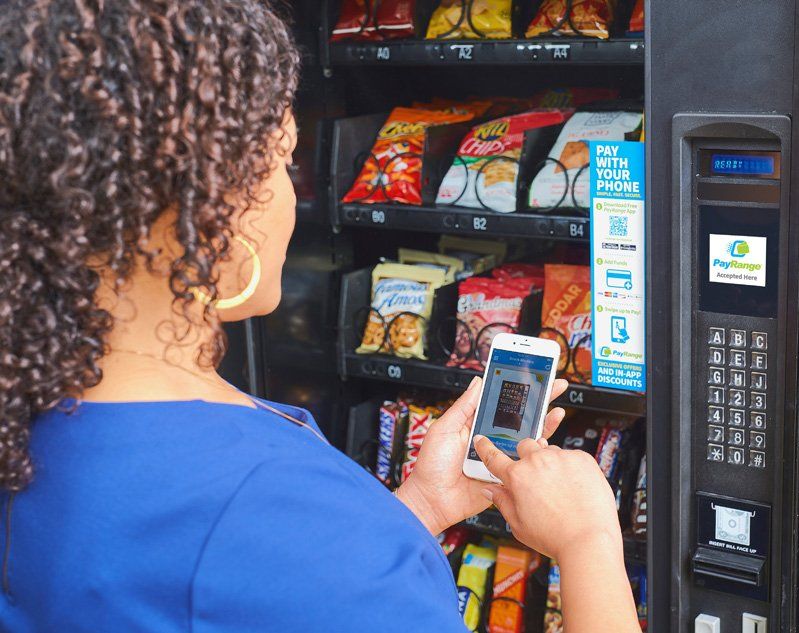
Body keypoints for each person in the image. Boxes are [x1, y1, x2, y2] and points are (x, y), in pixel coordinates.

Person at [0, 1, 640, 631]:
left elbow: (256, 591)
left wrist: (417, 509)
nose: (290, 193)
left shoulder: (32, 416)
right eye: (282, 160)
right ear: (208, 205)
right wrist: (588, 542)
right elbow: (283, 561)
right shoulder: (280, 506)